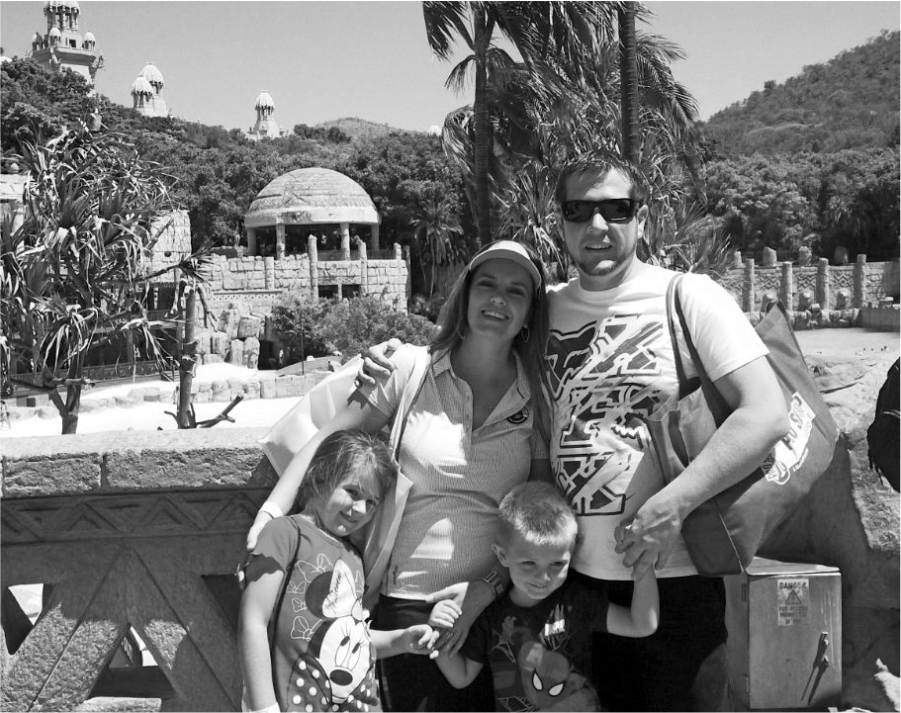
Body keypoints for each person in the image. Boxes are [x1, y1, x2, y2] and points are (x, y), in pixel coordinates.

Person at [360, 150, 789, 711]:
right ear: (559, 223)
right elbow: (472, 344)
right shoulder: (546, 309)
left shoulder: (689, 296)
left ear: (642, 217)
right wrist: (390, 357)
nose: (598, 225)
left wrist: (673, 504)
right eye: (579, 211)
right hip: (567, 584)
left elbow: (766, 413)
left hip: (669, 575)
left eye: (617, 209)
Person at [247, 240, 552, 711]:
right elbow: (329, 440)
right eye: (486, 284)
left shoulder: (537, 392)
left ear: (530, 311)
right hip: (402, 608)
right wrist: (270, 514)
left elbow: (539, 511)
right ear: (465, 294)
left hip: (493, 610)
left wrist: (487, 588)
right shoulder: (410, 368)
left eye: (516, 291)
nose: (498, 299)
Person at [239, 430, 437, 713]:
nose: (361, 510)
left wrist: (400, 640)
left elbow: (350, 637)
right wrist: (264, 708)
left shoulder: (353, 557)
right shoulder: (285, 533)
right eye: (353, 492)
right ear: (320, 477)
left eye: (371, 502)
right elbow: (253, 622)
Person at [429, 481, 658, 712]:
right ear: (502, 555)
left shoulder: (576, 601)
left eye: (557, 564)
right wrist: (437, 628)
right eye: (529, 563)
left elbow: (641, 625)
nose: (543, 577)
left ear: (572, 553)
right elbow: (461, 677)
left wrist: (642, 560)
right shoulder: (491, 615)